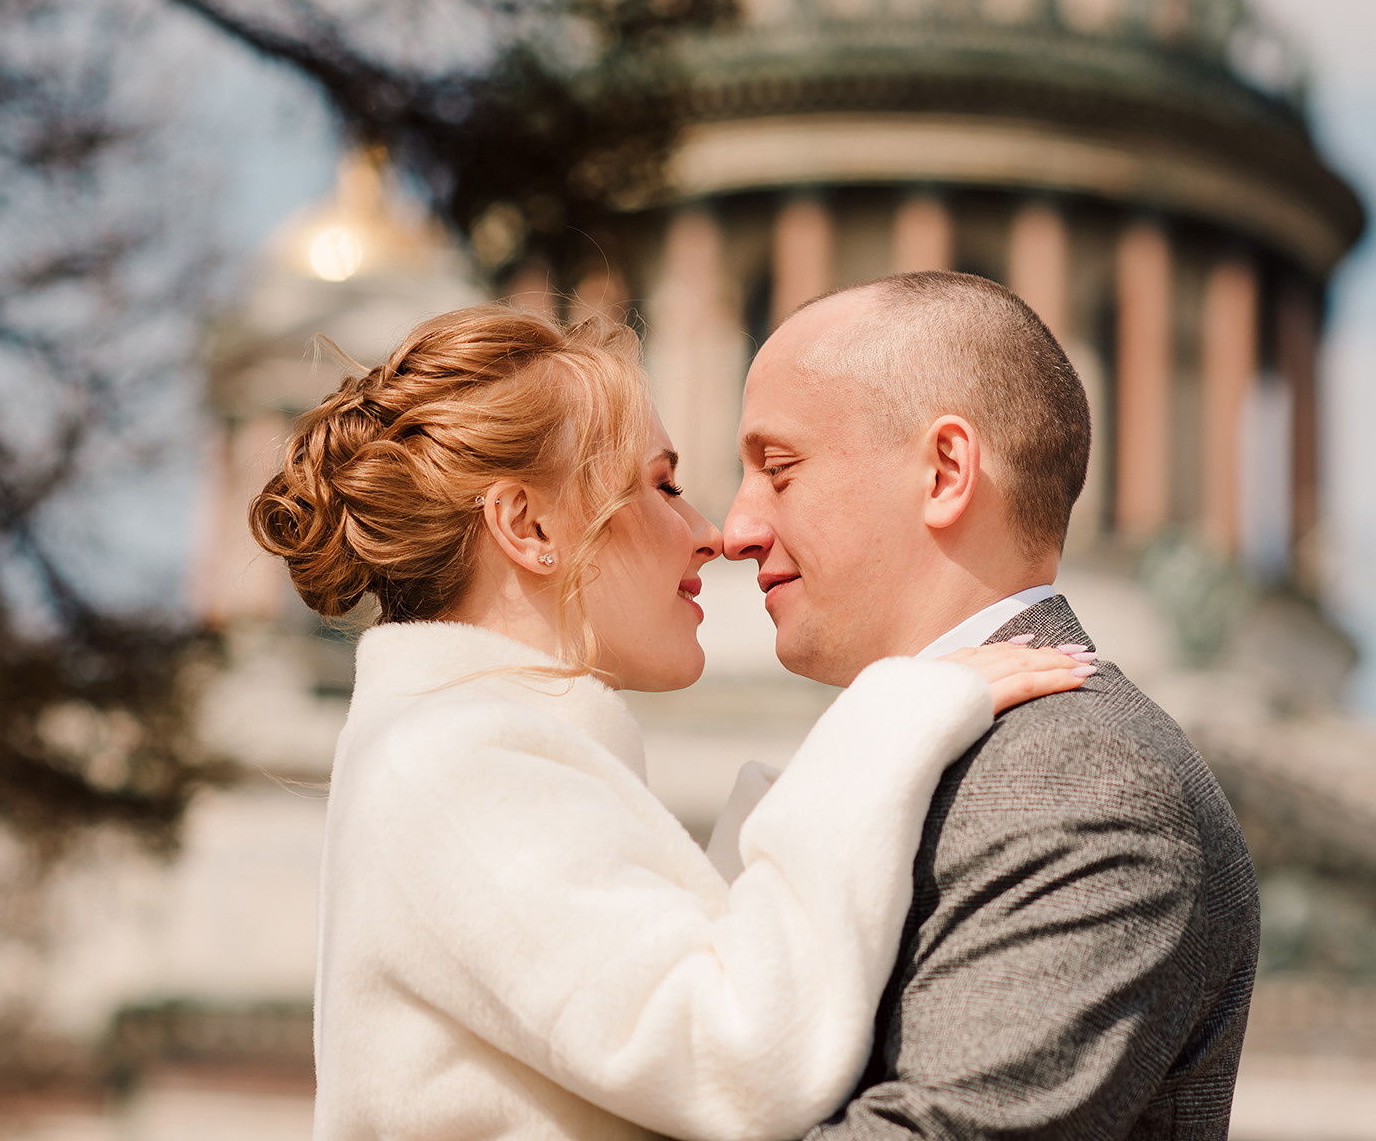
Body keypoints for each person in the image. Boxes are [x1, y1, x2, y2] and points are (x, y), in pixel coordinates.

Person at [247, 305, 1095, 1141]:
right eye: (664, 486)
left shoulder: (461, 751)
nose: (713, 534)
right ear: (529, 524)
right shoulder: (456, 764)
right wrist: (884, 723)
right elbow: (745, 1065)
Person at [719, 270, 1260, 1141]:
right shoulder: (953, 748)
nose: (734, 528)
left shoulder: (1081, 775)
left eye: (779, 471)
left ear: (944, 471)